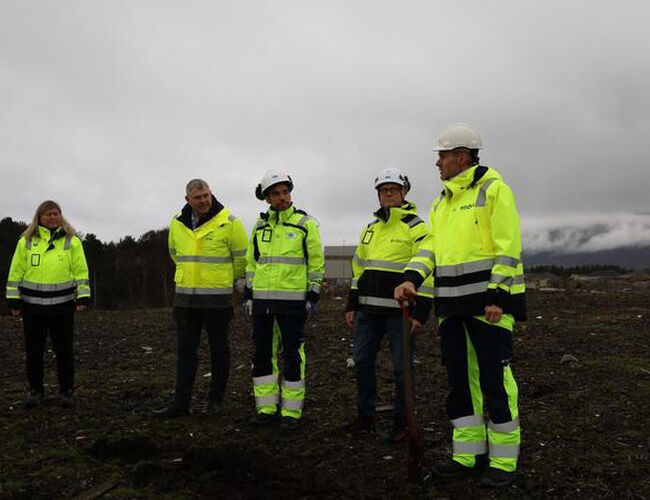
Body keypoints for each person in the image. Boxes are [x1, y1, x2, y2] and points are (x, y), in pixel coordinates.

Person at [395, 124, 526, 487]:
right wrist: (411, 278)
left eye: (443, 155)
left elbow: (507, 245)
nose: (437, 163)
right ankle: (468, 456)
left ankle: (503, 461)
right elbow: (431, 249)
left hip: (489, 307)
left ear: (462, 157)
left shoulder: (493, 191)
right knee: (461, 384)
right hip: (452, 307)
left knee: (495, 381)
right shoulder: (442, 202)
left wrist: (498, 296)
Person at [343, 168, 432, 442]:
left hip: (399, 314)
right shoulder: (370, 230)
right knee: (361, 362)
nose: (388, 194)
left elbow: (428, 270)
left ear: (404, 193)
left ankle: (403, 423)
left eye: (393, 189)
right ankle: (365, 417)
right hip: (368, 313)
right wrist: (352, 304)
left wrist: (421, 312)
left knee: (402, 368)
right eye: (383, 190)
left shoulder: (416, 227)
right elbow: (359, 270)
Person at [153, 179, 247, 418]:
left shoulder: (230, 223)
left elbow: (241, 260)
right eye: (198, 197)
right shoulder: (177, 223)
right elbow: (175, 254)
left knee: (219, 351)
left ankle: (215, 402)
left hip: (217, 301)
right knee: (185, 352)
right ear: (187, 200)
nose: (204, 201)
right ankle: (180, 403)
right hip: (185, 300)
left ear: (211, 193)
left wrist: (222, 280)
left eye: (206, 195)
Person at [243, 169, 324, 430]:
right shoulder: (259, 225)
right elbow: (251, 263)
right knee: (263, 355)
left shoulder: (305, 224)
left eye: (285, 192)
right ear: (267, 197)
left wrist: (313, 294)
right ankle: (266, 409)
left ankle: (291, 412)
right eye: (276, 194)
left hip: (293, 304)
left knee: (293, 356)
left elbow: (316, 263)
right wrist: (248, 294)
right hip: (263, 304)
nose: (282, 197)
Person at [6, 200, 90, 408]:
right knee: (34, 352)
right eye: (48, 214)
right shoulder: (25, 241)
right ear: (39, 218)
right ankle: (35, 391)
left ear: (61, 216)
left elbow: (81, 271)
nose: (53, 217)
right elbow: (15, 272)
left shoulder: (72, 241)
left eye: (56, 213)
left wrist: (83, 296)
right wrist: (13, 298)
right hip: (32, 307)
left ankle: (66, 391)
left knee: (64, 351)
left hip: (62, 307)